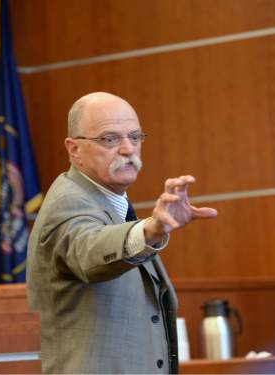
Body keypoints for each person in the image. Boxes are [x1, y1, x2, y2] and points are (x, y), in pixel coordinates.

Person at [26, 92, 218, 374]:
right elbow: (89, 251)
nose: (128, 149)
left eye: (135, 137)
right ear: (74, 149)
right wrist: (151, 230)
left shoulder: (110, 203)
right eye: (110, 139)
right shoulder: (68, 202)